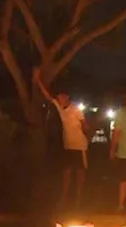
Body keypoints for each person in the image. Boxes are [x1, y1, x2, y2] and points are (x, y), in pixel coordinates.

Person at [35, 70, 89, 210]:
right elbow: (47, 96)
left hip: (79, 146)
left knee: (80, 173)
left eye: (62, 97)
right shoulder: (60, 108)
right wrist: (38, 80)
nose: (60, 99)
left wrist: (87, 138)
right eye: (58, 97)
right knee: (66, 173)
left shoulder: (76, 110)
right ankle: (64, 199)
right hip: (68, 146)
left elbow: (85, 125)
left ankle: (79, 199)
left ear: (67, 97)